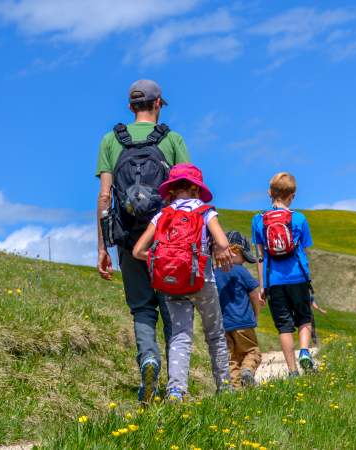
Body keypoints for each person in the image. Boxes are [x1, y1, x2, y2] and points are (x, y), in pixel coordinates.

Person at [96, 80, 190, 403]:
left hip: (126, 238)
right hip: (165, 241)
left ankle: (148, 361)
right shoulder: (172, 140)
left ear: (130, 107)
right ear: (159, 103)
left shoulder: (111, 140)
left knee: (141, 309)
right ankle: (175, 387)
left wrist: (102, 247)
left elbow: (105, 197)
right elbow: (185, 196)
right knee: (172, 309)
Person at [133, 163, 234, 401]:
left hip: (171, 283)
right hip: (202, 281)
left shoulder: (161, 215)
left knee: (180, 335)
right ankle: (225, 388)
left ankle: (176, 391)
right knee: (215, 334)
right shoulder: (204, 211)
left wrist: (162, 260)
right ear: (195, 189)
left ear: (172, 190)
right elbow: (222, 242)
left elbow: (139, 251)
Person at [252, 172, 315, 375]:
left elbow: (260, 256)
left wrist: (262, 285)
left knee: (284, 326)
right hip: (298, 276)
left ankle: (292, 371)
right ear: (293, 195)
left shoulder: (258, 220)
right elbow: (304, 251)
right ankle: (304, 351)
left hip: (274, 280)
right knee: (304, 317)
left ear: (270, 193)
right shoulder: (299, 219)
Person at [215, 231, 263, 388]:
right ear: (236, 251)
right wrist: (255, 315)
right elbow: (255, 295)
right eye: (244, 257)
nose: (244, 261)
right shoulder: (241, 271)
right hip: (243, 322)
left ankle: (235, 391)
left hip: (223, 325)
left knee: (232, 359)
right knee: (252, 351)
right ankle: (247, 371)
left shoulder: (214, 274)